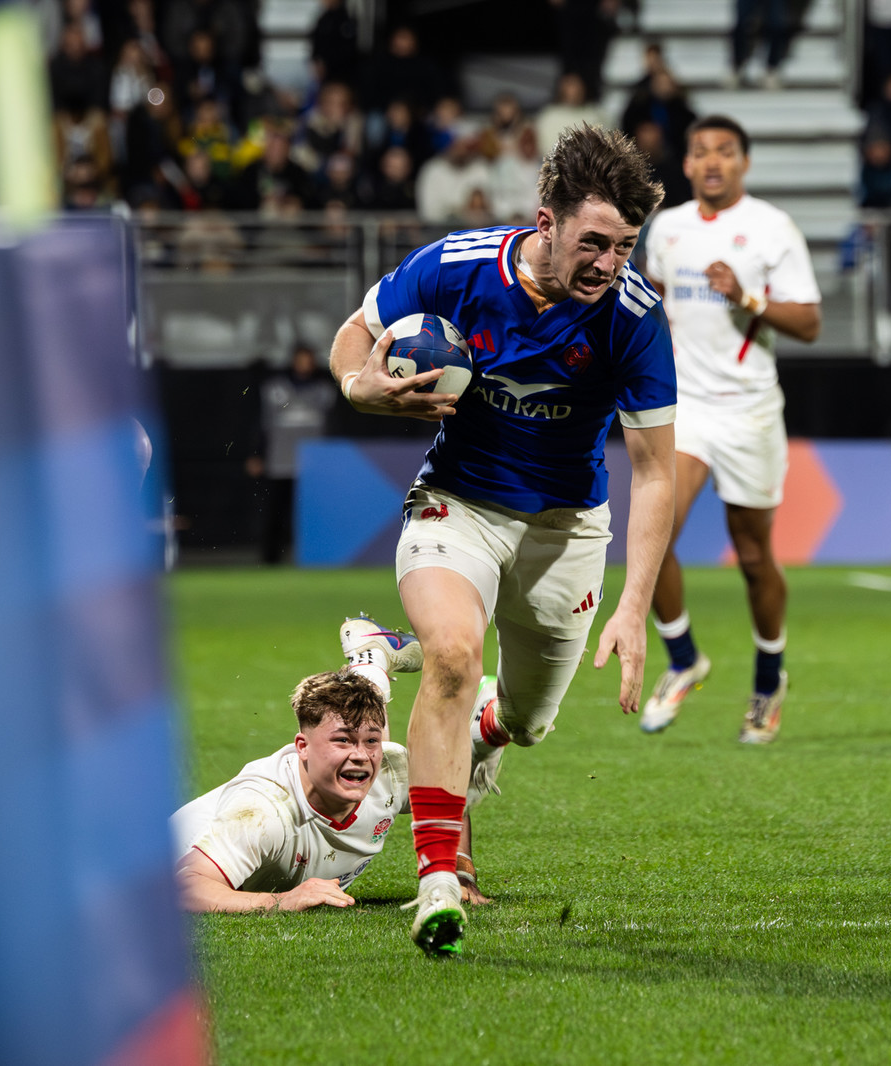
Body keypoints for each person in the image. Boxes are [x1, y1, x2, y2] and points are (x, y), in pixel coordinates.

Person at [329, 124, 676, 955]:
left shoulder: (633, 317)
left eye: (625, 246)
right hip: (460, 502)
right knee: (454, 653)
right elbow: (353, 337)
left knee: (525, 721)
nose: (608, 264)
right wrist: (363, 388)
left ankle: (444, 689)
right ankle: (438, 880)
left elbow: (657, 472)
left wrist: (634, 607)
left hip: (567, 529)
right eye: (594, 242)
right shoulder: (456, 268)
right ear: (545, 218)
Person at [637, 115, 821, 743]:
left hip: (749, 411)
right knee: (654, 534)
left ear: (744, 162)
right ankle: (684, 659)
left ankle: (769, 680)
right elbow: (651, 308)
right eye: (700, 152)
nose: (712, 162)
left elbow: (810, 324)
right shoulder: (668, 228)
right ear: (685, 165)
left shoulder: (772, 229)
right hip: (686, 407)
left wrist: (749, 299)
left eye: (724, 151)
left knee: (752, 556)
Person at [172, 651, 501, 913]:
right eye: (342, 740)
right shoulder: (262, 811)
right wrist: (281, 901)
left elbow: (446, 793)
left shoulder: (391, 767)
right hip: (148, 867)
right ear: (302, 747)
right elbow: (184, 888)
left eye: (371, 741)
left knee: (384, 757)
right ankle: (370, 663)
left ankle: (371, 664)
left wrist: (459, 874)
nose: (361, 755)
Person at [247, 344, 337, 564]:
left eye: (308, 359)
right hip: (281, 461)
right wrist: (256, 454)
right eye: (301, 359)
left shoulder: (324, 390)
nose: (304, 364)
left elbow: (334, 426)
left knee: (312, 516)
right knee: (275, 513)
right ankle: (270, 559)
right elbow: (261, 423)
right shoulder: (274, 389)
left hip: (313, 464)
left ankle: (315, 557)